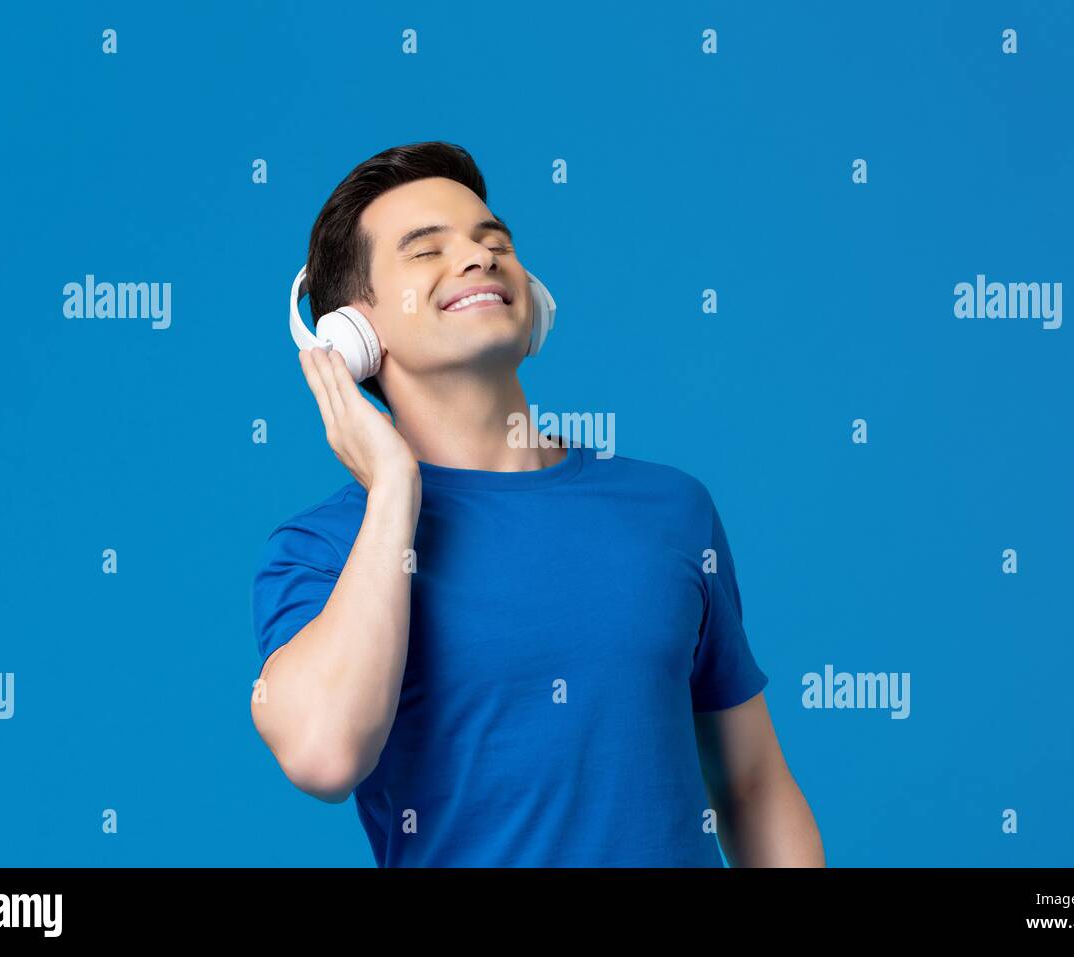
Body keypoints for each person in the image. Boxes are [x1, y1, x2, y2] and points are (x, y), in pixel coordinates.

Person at [250, 141, 824, 867]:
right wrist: (394, 485)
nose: (479, 257)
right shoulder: (323, 548)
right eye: (426, 251)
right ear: (352, 334)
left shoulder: (670, 508)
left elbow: (752, 786)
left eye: (495, 242)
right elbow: (323, 755)